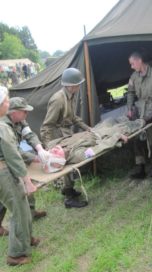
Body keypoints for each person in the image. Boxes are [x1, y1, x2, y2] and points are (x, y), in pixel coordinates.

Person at [40, 67, 91, 208]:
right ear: (71, 85)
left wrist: (87, 128)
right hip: (55, 136)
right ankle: (69, 199)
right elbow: (47, 125)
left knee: (70, 163)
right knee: (65, 164)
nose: (79, 86)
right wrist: (50, 147)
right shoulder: (58, 99)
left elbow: (73, 117)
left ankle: (68, 189)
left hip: (65, 133)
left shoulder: (72, 96)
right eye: (78, 83)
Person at [0, 86, 39, 266]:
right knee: (19, 209)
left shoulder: (7, 124)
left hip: (5, 169)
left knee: (21, 207)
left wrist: (37, 156)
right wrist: (27, 180)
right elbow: (13, 155)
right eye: (6, 100)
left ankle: (25, 239)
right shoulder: (3, 127)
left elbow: (16, 151)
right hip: (3, 172)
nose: (8, 103)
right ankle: (15, 255)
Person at [0, 97, 48, 232]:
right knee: (8, 195)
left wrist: (40, 149)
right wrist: (33, 157)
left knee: (27, 183)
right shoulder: (4, 126)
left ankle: (31, 212)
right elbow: (14, 151)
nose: (27, 114)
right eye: (24, 111)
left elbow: (29, 134)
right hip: (4, 163)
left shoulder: (20, 120)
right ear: (13, 112)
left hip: (12, 158)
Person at [127, 50, 152, 179]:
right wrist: (130, 108)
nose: (131, 67)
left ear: (139, 61)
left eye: (132, 64)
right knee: (135, 135)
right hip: (140, 106)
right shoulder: (134, 76)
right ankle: (140, 167)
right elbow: (130, 92)